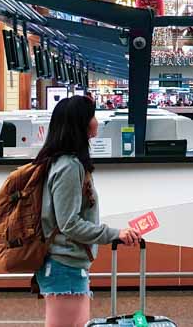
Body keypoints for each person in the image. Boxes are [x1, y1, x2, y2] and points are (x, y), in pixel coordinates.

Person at [34, 96, 141, 327]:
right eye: (92, 116)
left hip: (66, 266)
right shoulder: (69, 167)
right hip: (64, 265)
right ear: (79, 124)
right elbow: (69, 223)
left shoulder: (60, 162)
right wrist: (114, 234)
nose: (96, 121)